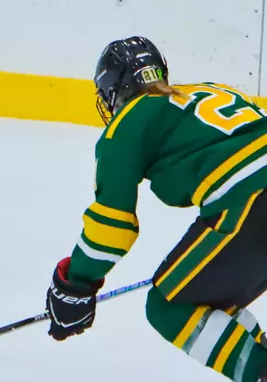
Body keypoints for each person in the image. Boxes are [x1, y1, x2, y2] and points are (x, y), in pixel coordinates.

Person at [46, 36, 267, 381]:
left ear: (113, 91)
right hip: (253, 196)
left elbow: (110, 229)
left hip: (251, 200)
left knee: (170, 306)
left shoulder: (128, 123)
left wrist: (75, 284)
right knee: (206, 302)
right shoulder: (211, 90)